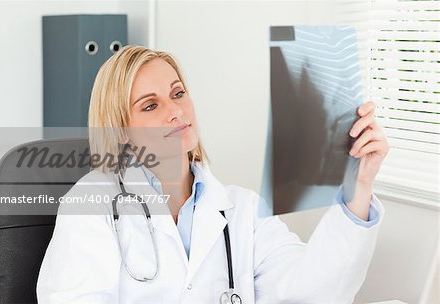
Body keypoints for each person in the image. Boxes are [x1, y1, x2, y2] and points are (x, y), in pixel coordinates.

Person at [36, 45, 389, 303]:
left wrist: (358, 187)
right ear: (121, 129)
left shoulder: (242, 208)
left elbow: (312, 292)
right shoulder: (94, 203)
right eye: (150, 104)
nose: (176, 111)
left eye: (178, 93)